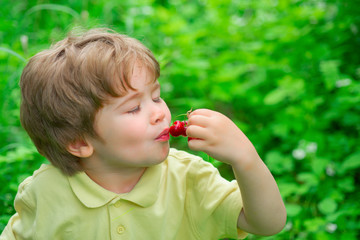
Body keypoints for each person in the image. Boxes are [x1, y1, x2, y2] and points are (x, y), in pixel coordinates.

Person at [1, 28, 286, 239]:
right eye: (134, 108)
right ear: (78, 142)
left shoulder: (187, 178)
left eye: (156, 96)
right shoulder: (44, 193)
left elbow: (266, 223)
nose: (160, 112)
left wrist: (245, 158)